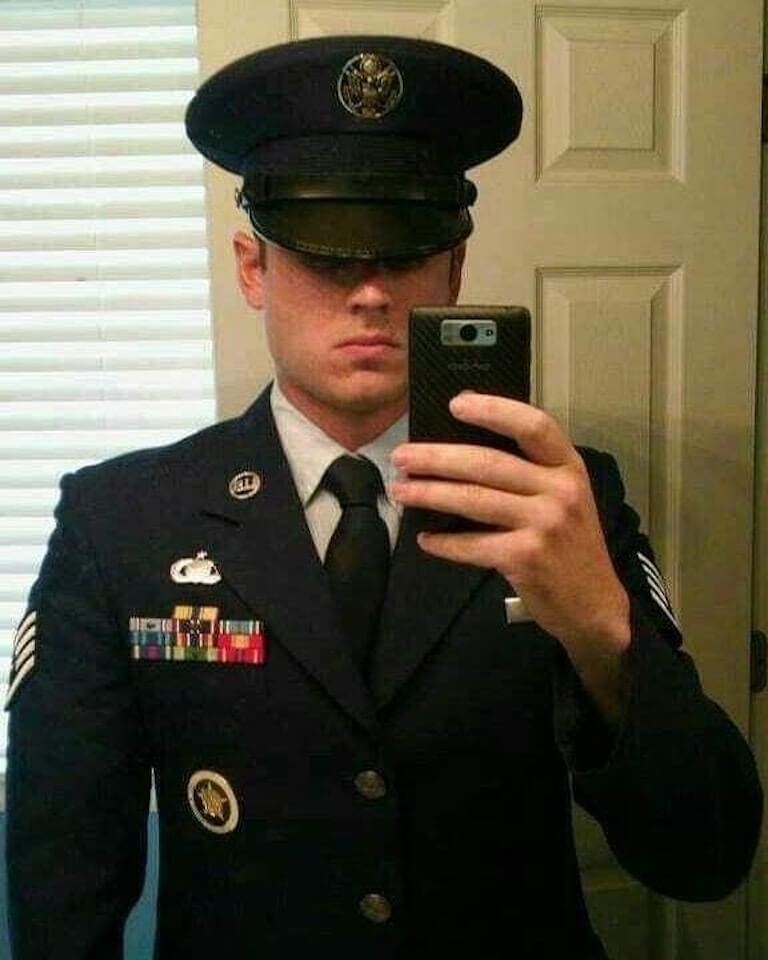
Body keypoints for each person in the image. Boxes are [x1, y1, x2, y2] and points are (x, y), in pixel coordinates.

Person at [5, 35, 762, 960]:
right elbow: (62, 863)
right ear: (254, 268)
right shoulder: (120, 520)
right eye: (326, 258)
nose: (368, 293)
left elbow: (706, 854)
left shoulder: (560, 497)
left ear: (453, 270)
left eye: (403, 253)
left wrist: (604, 631)